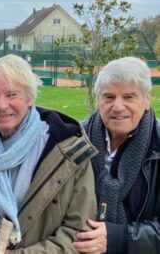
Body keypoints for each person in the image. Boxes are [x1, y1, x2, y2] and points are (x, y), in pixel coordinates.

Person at [0, 54, 98, 253]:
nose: (1, 105)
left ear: (29, 97)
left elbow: (77, 232)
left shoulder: (68, 150)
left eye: (12, 94)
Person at [73, 57, 159, 254]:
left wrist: (119, 238)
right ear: (98, 101)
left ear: (147, 100)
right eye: (109, 97)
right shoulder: (74, 140)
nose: (118, 106)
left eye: (129, 97)